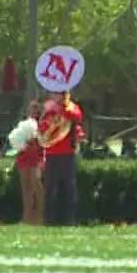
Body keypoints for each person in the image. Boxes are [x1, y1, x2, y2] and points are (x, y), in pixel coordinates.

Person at [39, 91, 85, 225]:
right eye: (53, 94)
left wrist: (63, 108)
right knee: (49, 188)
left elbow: (77, 116)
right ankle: (49, 220)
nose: (54, 96)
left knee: (68, 187)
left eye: (57, 94)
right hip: (51, 153)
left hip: (67, 153)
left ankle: (69, 219)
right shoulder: (48, 109)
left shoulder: (70, 106)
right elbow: (42, 126)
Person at [6, 100, 46, 226]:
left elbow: (44, 141)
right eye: (31, 108)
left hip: (36, 157)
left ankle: (40, 216)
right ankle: (27, 217)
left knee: (37, 186)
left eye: (35, 108)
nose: (32, 111)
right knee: (26, 188)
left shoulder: (43, 124)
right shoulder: (24, 124)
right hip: (24, 157)